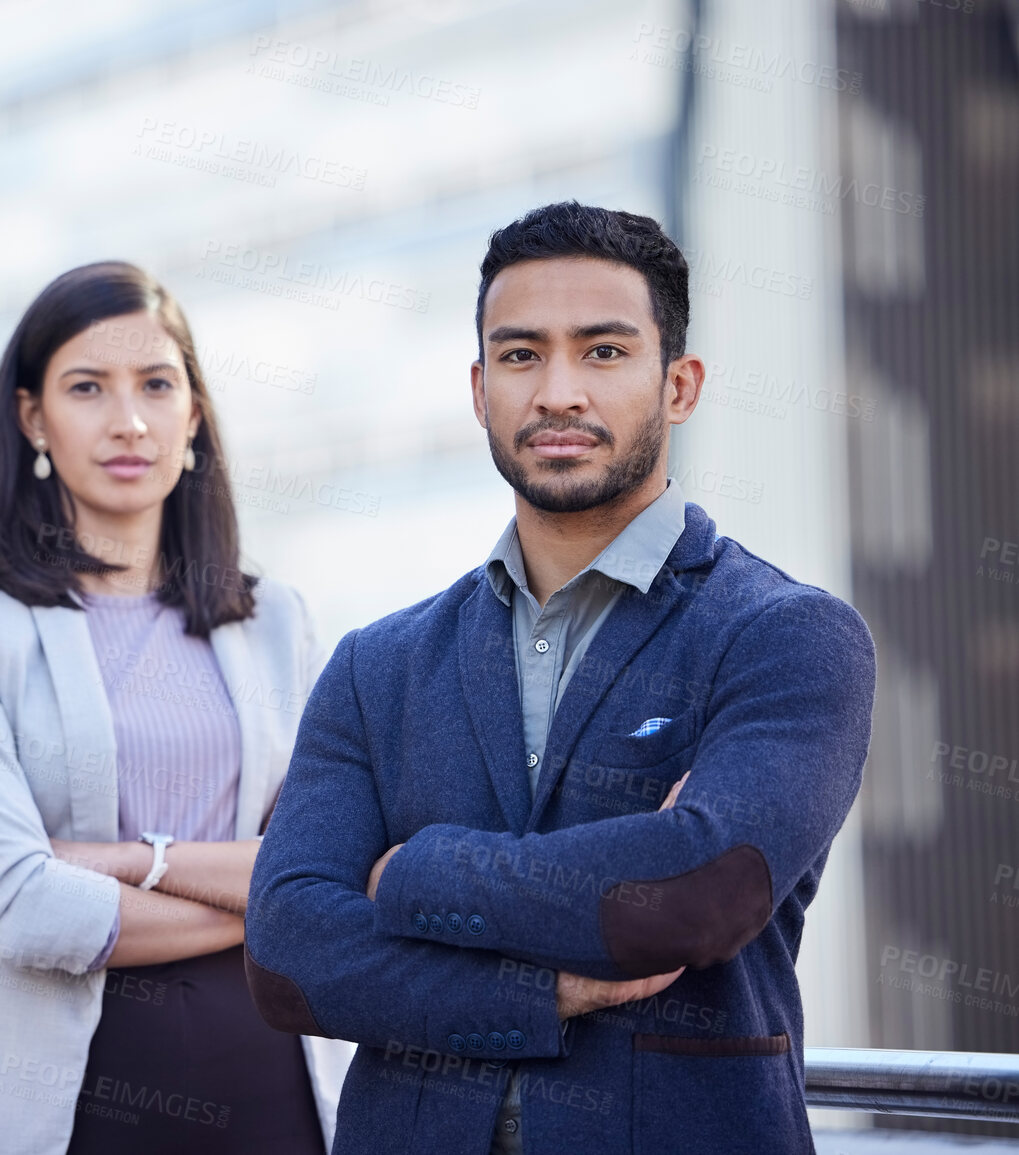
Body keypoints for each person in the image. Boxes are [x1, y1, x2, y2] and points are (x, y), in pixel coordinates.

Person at [244, 202, 877, 1155]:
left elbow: (697, 892)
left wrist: (407, 870)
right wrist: (538, 989)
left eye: (604, 352)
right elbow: (289, 955)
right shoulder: (378, 666)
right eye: (520, 354)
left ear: (679, 384)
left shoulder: (785, 635)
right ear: (478, 387)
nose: (557, 391)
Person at [0, 261, 353, 1155]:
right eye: (87, 387)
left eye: (157, 386)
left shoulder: (275, 619)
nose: (128, 420)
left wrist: (134, 859)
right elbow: (15, 904)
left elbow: (336, 866)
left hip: (273, 1103)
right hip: (54, 1115)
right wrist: (268, 898)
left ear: (194, 417)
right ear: (32, 418)